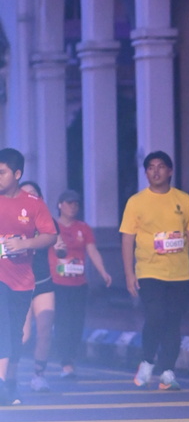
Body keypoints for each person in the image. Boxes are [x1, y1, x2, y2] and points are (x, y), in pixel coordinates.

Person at [120, 151, 189, 390]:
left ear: (170, 171)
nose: (156, 171)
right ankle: (147, 360)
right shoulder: (136, 202)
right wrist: (129, 274)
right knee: (155, 315)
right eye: (151, 167)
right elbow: (127, 239)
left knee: (173, 321)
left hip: (180, 273)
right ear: (146, 173)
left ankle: (168, 371)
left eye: (161, 166)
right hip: (149, 271)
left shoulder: (183, 200)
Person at [0, 149, 57, 406]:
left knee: (16, 334)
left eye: (2, 173)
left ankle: (9, 383)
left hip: (22, 279)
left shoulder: (33, 204)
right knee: (2, 326)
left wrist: (25, 243)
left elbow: (50, 235)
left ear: (17, 174)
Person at [50, 189, 112, 379]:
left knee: (76, 323)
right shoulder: (51, 227)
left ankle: (71, 357)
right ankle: (65, 362)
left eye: (76, 204)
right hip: (57, 283)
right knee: (62, 322)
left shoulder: (84, 228)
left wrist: (103, 272)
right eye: (69, 203)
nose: (73, 207)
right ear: (60, 205)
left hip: (79, 283)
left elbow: (92, 251)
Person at [19, 180, 56, 391]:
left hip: (43, 282)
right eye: (24, 194)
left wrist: (60, 249)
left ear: (40, 198)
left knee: (45, 331)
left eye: (33, 194)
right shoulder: (8, 218)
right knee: (22, 336)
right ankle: (6, 374)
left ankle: (39, 375)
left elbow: (58, 244)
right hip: (18, 283)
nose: (28, 197)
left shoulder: (47, 221)